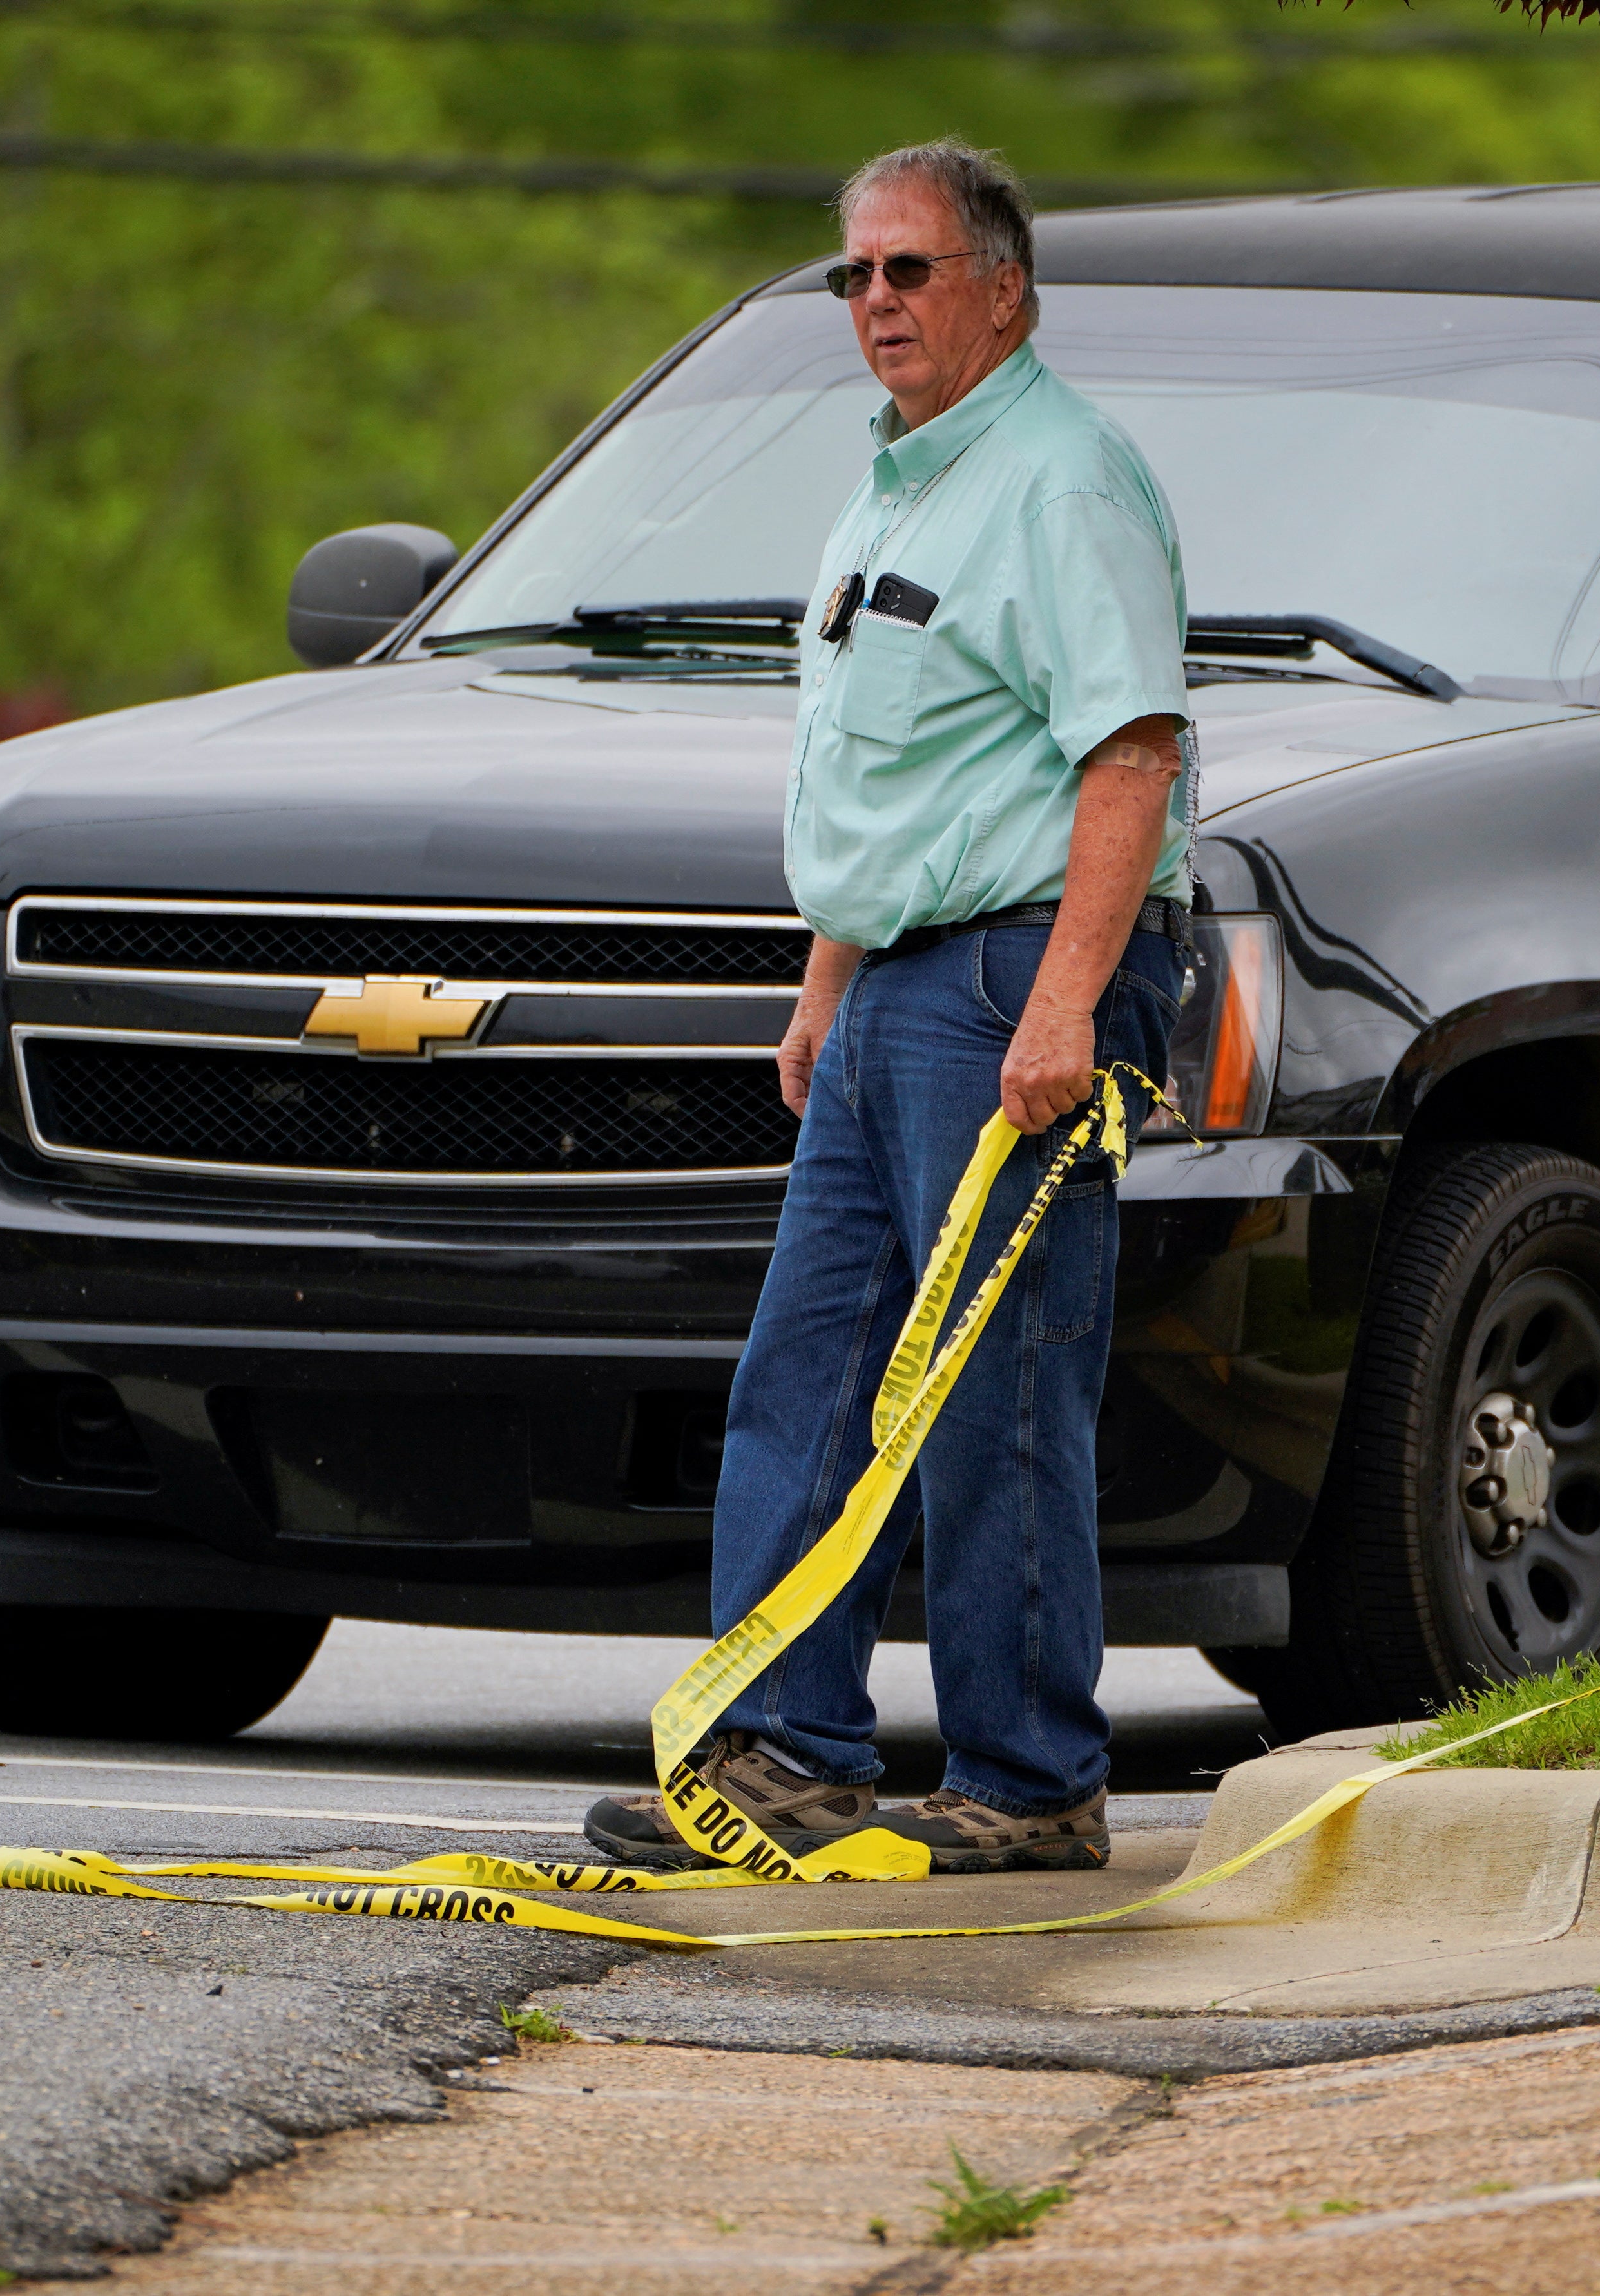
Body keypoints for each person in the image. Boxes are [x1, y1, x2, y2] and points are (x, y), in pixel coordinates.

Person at [584, 139, 1194, 1877]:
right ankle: (781, 1748)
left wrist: (1068, 1003)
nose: (875, 303)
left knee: (991, 1386)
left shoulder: (1060, 480)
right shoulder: (894, 488)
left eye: (910, 270)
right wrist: (824, 979)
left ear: (1004, 286)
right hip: (889, 992)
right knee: (809, 1370)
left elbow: (1126, 756)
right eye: (854, 274)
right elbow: (889, 761)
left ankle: (1027, 1778)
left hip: (1014, 979)